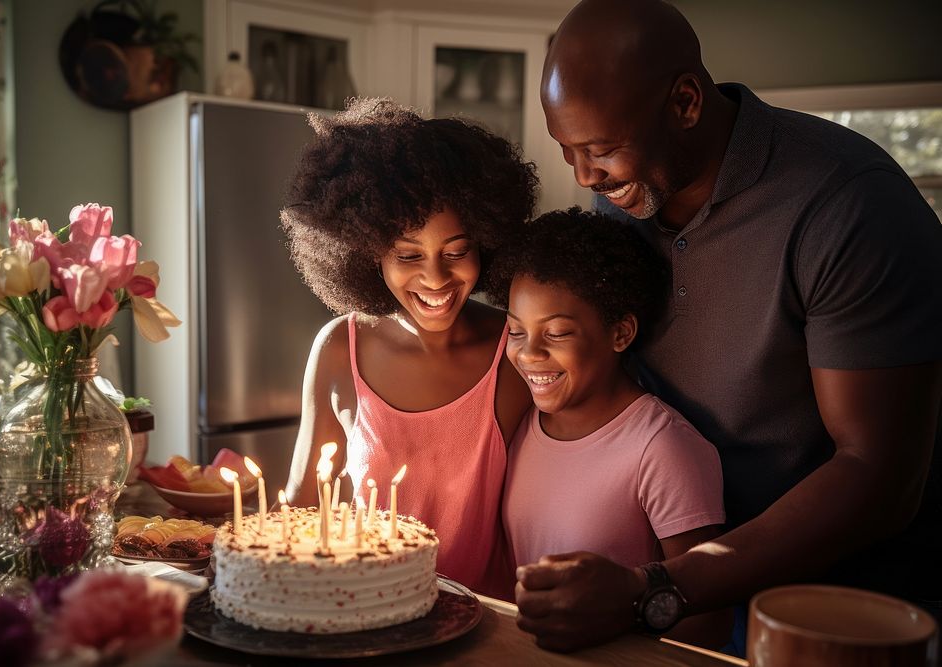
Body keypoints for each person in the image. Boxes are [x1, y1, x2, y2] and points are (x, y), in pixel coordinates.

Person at [516, 0, 942, 653]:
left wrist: (652, 587)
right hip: (687, 590)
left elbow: (879, 474)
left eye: (600, 149)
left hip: (843, 609)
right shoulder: (626, 200)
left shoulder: (847, 203)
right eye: (568, 150)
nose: (584, 177)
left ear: (685, 102)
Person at [280, 98, 537, 599]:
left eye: (457, 251)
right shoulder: (341, 348)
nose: (436, 277)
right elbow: (302, 507)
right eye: (408, 255)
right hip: (366, 613)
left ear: (487, 241)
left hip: (489, 631)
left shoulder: (517, 351)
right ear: (366, 251)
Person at [492, 207, 732, 648]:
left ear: (621, 333)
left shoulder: (661, 448)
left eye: (558, 333)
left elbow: (710, 619)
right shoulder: (520, 423)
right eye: (516, 331)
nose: (529, 354)